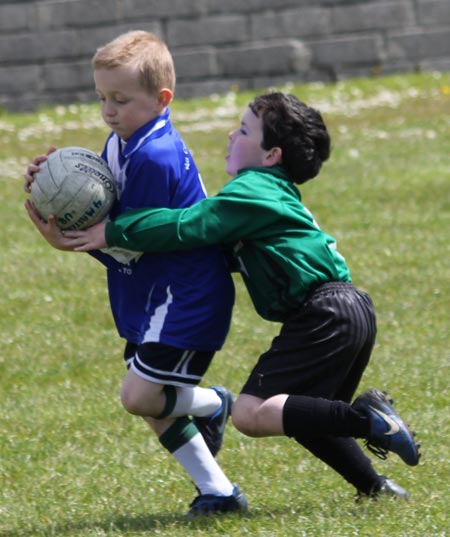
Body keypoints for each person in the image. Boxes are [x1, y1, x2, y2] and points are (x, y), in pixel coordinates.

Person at [41, 92, 421, 501]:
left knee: (251, 413)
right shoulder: (266, 193)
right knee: (301, 414)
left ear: (271, 155)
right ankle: (375, 486)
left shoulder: (253, 189)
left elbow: (191, 224)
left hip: (324, 312)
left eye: (242, 131)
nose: (229, 135)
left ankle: (369, 419)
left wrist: (112, 231)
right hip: (346, 310)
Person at [24, 30, 248, 516]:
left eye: (121, 99)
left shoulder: (152, 154)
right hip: (153, 291)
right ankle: (220, 493)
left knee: (141, 395)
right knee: (150, 399)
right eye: (102, 97)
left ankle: (214, 404)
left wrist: (71, 239)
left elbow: (133, 237)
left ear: (162, 98)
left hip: (187, 294)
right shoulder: (124, 140)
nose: (108, 109)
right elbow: (110, 218)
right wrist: (58, 188)